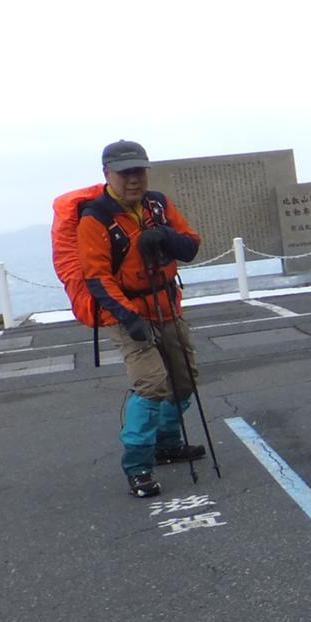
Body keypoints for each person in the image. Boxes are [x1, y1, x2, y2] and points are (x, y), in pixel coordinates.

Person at [75, 139, 205, 498]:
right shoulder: (95, 218)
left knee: (183, 380)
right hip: (127, 313)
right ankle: (138, 466)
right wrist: (130, 318)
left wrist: (164, 235)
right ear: (107, 174)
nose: (134, 179)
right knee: (151, 383)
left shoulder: (158, 205)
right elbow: (97, 277)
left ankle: (167, 443)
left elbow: (191, 246)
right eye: (125, 172)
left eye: (139, 171)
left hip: (167, 306)